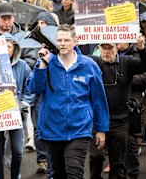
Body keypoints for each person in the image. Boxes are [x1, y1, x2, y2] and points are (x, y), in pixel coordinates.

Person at [27, 25, 109, 179]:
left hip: (79, 130)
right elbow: (34, 88)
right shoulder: (47, 63)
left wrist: (101, 129)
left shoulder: (89, 65)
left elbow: (99, 99)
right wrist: (42, 64)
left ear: (75, 41)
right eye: (59, 40)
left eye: (66, 40)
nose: (62, 43)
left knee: (74, 174)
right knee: (58, 175)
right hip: (52, 130)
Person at [88, 37, 146, 179]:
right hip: (97, 119)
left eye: (109, 48)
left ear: (116, 47)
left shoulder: (126, 62)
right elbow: (74, 59)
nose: (106, 52)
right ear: (98, 48)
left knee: (118, 161)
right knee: (96, 156)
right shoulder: (93, 62)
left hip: (120, 120)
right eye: (103, 48)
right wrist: (75, 45)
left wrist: (142, 48)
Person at [0, 34, 34, 179]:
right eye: (2, 46)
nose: (5, 49)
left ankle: (15, 176)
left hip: (17, 114)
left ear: (14, 49)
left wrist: (24, 103)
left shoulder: (23, 66)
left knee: (17, 150)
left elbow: (31, 87)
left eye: (8, 46)